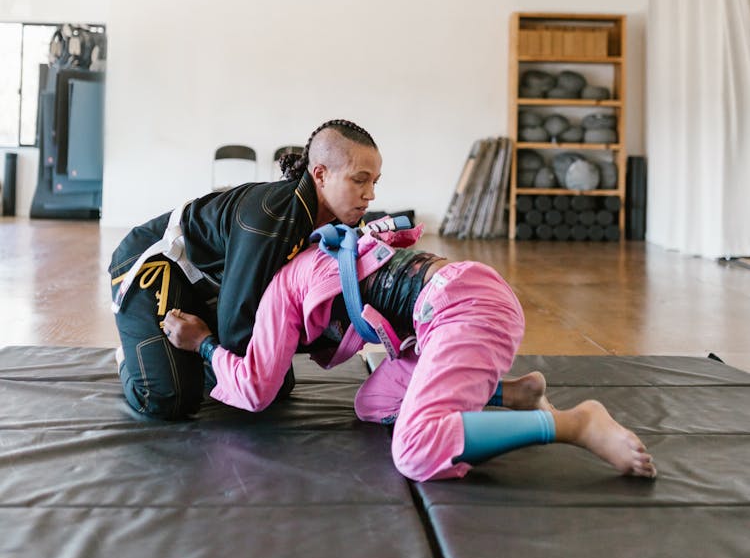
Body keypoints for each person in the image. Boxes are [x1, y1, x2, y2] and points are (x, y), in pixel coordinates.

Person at [160, 218, 657, 482]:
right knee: (373, 403)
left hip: (462, 307)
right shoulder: (312, 253)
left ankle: (576, 423)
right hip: (451, 304)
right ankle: (515, 394)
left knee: (416, 451)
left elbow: (255, 387)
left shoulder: (279, 285)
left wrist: (203, 344)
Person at [109, 118, 382, 420]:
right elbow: (235, 331)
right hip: (155, 260)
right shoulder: (270, 220)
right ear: (320, 174)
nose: (370, 194)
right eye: (360, 180)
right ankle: (130, 356)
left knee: (278, 386)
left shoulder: (342, 222)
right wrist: (205, 344)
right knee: (169, 399)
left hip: (209, 283)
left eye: (375, 182)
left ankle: (180, 359)